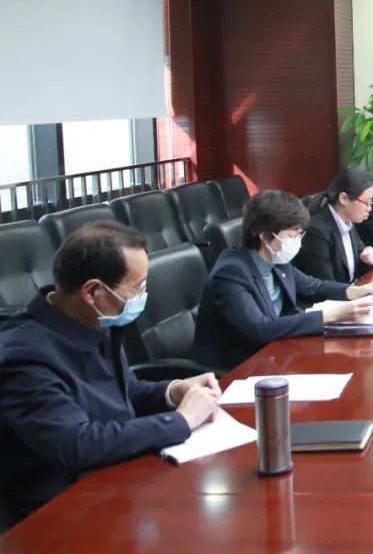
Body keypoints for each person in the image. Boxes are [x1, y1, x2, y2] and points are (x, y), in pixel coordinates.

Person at [0, 222, 220, 526]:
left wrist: (172, 391)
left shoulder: (92, 319)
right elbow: (77, 443)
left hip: (118, 476)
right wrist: (182, 420)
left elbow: (122, 391)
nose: (143, 295)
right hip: (64, 511)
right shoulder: (24, 356)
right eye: (137, 287)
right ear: (93, 291)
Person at [194, 190, 373, 371]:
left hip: (276, 353)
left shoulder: (277, 260)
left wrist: (353, 291)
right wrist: (330, 315)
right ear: (265, 235)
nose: (296, 241)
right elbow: (260, 329)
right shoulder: (231, 273)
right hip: (238, 367)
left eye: (299, 234)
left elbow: (313, 286)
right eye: (292, 235)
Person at [294, 168, 373, 284]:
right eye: (367, 202)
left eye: (371, 203)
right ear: (344, 199)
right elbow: (324, 285)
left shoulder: (348, 221)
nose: (369, 209)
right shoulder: (316, 232)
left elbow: (358, 262)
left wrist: (371, 257)